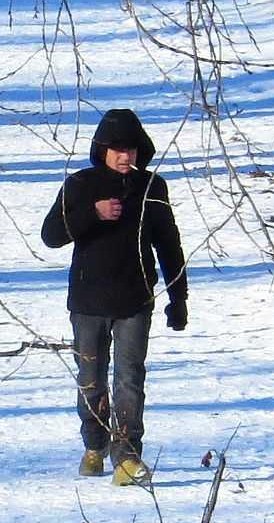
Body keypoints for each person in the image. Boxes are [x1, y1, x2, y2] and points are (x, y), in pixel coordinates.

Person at [39, 107, 189, 485]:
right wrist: (92, 213)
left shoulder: (152, 188)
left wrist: (178, 295)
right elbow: (51, 235)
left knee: (129, 380)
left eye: (133, 149)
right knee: (91, 380)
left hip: (135, 301)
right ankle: (94, 444)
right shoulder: (80, 185)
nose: (126, 156)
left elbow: (169, 244)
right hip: (88, 304)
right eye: (118, 149)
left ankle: (127, 457)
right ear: (102, 149)